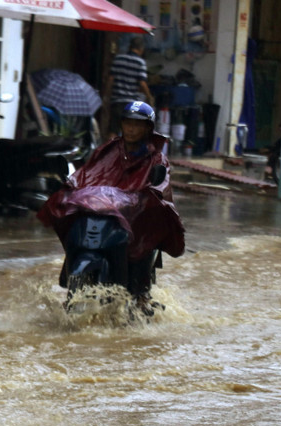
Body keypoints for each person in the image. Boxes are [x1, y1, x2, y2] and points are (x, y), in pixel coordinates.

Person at [37, 101, 185, 307]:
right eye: (127, 123)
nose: (131, 129)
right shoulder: (108, 150)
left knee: (144, 239)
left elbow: (161, 187)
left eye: (137, 124)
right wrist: (71, 185)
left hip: (136, 219)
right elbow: (87, 173)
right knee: (74, 223)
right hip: (104, 213)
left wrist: (142, 197)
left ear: (147, 128)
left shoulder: (157, 159)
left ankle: (140, 295)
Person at [103, 36, 155, 140]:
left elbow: (111, 79)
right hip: (130, 104)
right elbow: (142, 83)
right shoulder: (140, 63)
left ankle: (109, 153)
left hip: (116, 101)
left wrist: (107, 95)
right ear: (141, 49)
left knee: (113, 130)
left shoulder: (118, 59)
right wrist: (149, 97)